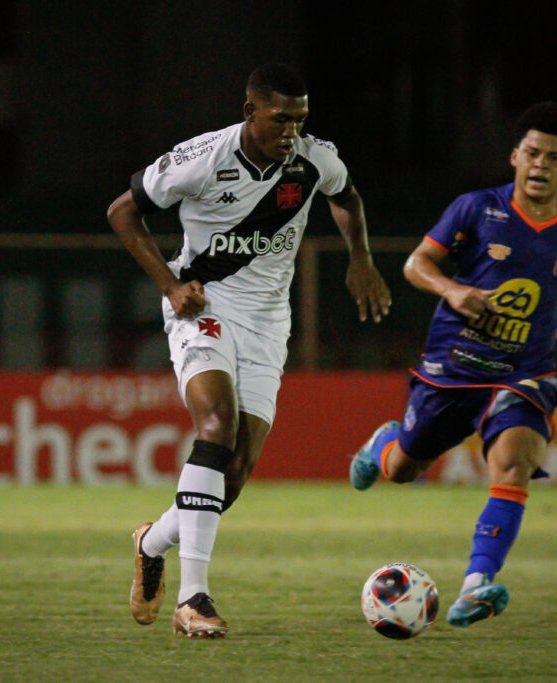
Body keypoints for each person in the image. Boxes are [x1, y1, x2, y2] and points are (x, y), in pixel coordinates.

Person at [107, 62, 391, 638]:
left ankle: (152, 541)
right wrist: (170, 285)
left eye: (300, 119)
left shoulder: (315, 159)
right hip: (202, 308)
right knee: (216, 425)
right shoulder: (203, 158)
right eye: (281, 119)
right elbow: (122, 212)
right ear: (250, 112)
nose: (292, 131)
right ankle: (193, 599)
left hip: (267, 324)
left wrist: (360, 258)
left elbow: (347, 198)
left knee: (232, 476)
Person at [349, 102, 557, 628]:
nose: (541, 164)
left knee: (514, 462)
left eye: (554, 157)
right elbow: (416, 264)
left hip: (526, 371)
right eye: (532, 153)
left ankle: (476, 584)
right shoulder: (477, 209)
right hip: (455, 366)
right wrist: (452, 290)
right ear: (515, 156)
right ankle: (383, 444)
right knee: (403, 469)